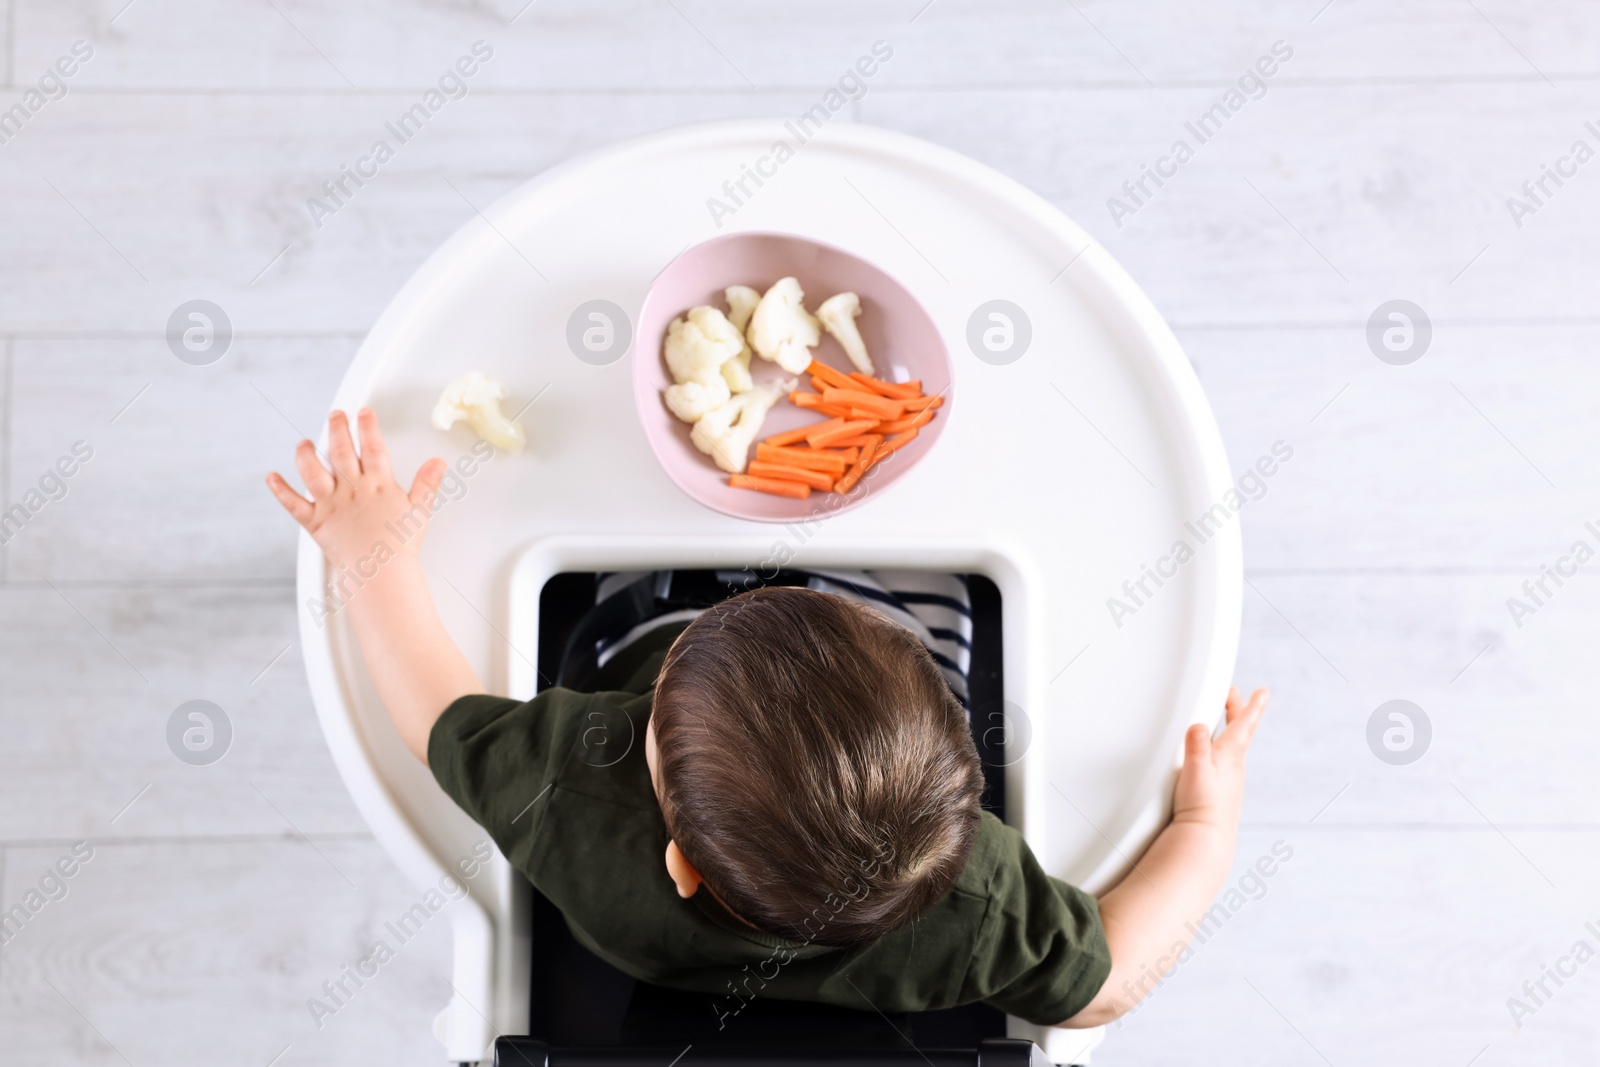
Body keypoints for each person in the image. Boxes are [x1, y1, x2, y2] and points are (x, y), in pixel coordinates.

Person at [267, 409, 1269, 1029]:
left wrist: (377, 551)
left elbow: (434, 710)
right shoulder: (975, 906)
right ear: (958, 765)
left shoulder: (575, 796)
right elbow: (1107, 983)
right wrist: (1203, 829)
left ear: (681, 863)